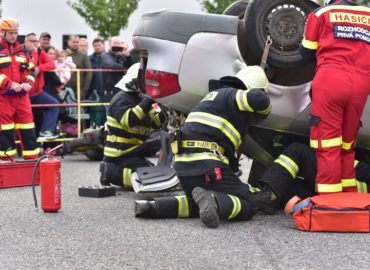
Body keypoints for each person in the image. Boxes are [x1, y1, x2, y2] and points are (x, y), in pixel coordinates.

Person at [135, 66, 272, 229]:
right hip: (206, 165)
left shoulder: (211, 99)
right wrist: (265, 111)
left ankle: (153, 207)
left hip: (183, 167)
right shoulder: (233, 94)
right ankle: (214, 200)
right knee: (248, 203)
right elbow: (259, 99)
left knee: (195, 204)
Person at [300, 0, 370, 194]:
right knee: (347, 143)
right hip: (362, 83)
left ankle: (330, 204)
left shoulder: (322, 13)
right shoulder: (368, 15)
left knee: (327, 143)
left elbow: (306, 53)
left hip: (331, 80)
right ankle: (349, 198)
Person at [249, 142, 370, 212]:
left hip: (342, 190)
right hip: (340, 200)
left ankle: (268, 196)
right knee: (270, 178)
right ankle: (266, 198)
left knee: (297, 151)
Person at [99, 63, 166, 190]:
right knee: (148, 180)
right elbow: (129, 119)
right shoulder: (121, 99)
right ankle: (110, 172)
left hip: (133, 152)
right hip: (119, 154)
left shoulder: (139, 98)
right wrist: (148, 99)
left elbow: (154, 122)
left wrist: (165, 110)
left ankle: (114, 172)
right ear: (134, 81)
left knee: (155, 174)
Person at [0, 18, 39, 160]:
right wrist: (10, 84)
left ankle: (32, 160)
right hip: (3, 97)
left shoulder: (22, 51)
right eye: (10, 33)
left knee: (28, 127)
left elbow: (32, 71)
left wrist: (29, 83)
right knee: (5, 130)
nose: (13, 36)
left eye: (15, 33)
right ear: (2, 32)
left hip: (22, 97)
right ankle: (6, 162)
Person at [25, 33, 60, 139]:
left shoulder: (41, 52)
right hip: (25, 94)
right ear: (26, 42)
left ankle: (46, 131)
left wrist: (40, 68)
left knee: (54, 104)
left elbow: (52, 64)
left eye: (36, 41)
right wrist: (35, 53)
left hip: (38, 92)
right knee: (25, 120)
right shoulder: (21, 53)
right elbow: (31, 66)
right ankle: (19, 146)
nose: (34, 43)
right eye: (31, 41)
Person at [101, 36, 133, 103]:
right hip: (109, 90)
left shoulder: (122, 56)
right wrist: (124, 67)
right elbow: (111, 65)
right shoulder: (105, 55)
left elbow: (131, 66)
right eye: (115, 43)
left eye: (119, 43)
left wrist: (127, 55)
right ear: (109, 45)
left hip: (121, 88)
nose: (117, 45)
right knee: (109, 111)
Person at [66, 35, 92, 100]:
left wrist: (84, 90)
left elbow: (89, 73)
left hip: (79, 90)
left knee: (79, 110)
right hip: (65, 89)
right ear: (69, 42)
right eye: (73, 42)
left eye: (77, 42)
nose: (75, 44)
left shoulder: (83, 56)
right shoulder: (63, 54)